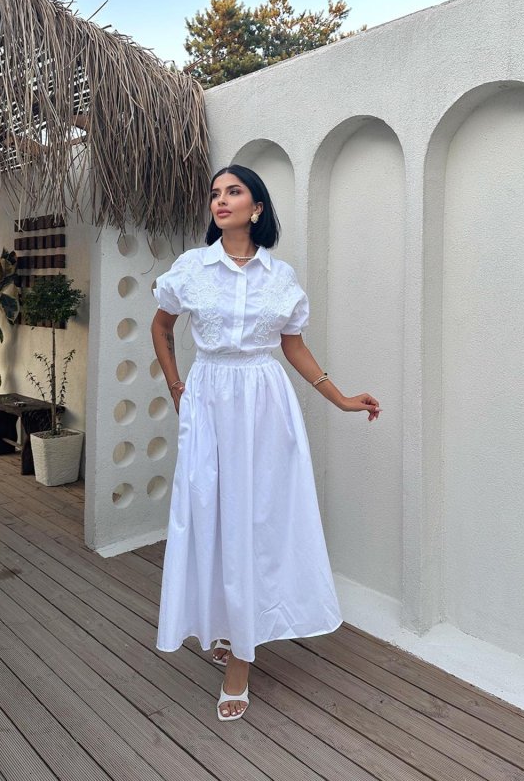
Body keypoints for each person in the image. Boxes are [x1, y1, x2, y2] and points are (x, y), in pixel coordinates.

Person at [150, 164, 381, 721]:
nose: (221, 200)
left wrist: (341, 398)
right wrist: (177, 387)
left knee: (256, 522)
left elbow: (292, 346)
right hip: (209, 398)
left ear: (256, 208)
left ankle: (241, 660)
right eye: (215, 193)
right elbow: (161, 326)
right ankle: (224, 625)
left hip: (263, 404)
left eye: (234, 192)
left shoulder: (280, 277)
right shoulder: (191, 268)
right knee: (209, 515)